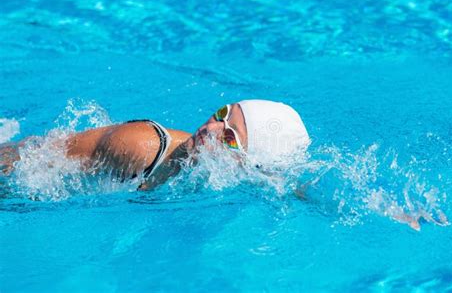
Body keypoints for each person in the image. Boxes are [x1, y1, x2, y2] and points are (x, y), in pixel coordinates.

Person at [0, 100, 310, 190]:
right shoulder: (143, 146)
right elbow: (32, 158)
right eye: (221, 114)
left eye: (228, 137)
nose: (210, 128)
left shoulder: (224, 181)